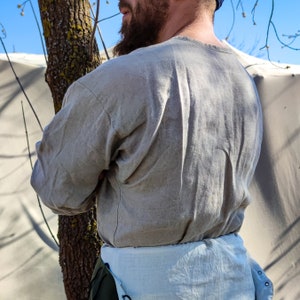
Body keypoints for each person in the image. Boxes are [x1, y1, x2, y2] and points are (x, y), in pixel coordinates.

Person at [31, 0, 273, 299]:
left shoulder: (123, 78)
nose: (120, 4)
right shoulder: (242, 81)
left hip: (141, 289)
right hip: (235, 285)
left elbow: (57, 191)